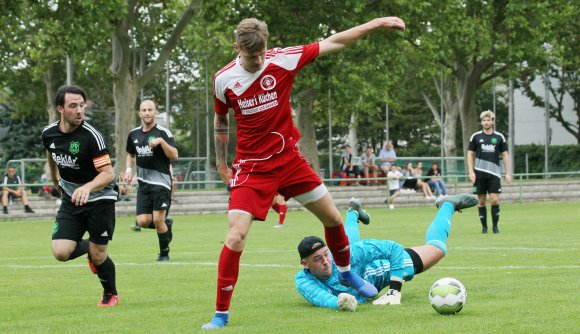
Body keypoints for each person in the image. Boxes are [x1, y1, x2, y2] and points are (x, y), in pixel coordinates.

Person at [204, 16, 405, 329]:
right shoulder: (223, 79)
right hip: (252, 169)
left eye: (259, 55)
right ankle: (220, 315)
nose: (256, 61)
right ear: (236, 48)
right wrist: (220, 162)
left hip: (289, 161)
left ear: (266, 46)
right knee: (235, 236)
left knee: (334, 219)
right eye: (249, 56)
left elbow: (335, 41)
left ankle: (346, 272)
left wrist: (376, 24)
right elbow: (220, 121)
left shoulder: (284, 59)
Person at [295, 194, 478, 310]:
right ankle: (353, 212)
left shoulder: (345, 256)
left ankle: (447, 205)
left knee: (437, 248)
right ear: (305, 264)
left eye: (326, 254)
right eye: (318, 259)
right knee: (348, 245)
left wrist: (394, 291)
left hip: (389, 266)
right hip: (357, 268)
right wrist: (339, 302)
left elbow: (393, 248)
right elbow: (318, 296)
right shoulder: (303, 280)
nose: (326, 261)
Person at [42, 85, 119, 306]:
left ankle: (110, 294)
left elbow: (108, 175)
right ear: (60, 108)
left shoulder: (91, 137)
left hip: (100, 200)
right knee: (60, 252)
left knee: (98, 256)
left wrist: (86, 188)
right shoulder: (49, 134)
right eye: (73, 106)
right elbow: (52, 154)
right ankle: (90, 246)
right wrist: (55, 180)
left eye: (81, 105)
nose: (79, 110)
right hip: (71, 199)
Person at [124, 99, 178, 261]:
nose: (147, 113)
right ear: (140, 113)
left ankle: (164, 255)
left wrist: (161, 143)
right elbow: (130, 154)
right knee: (143, 221)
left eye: (150, 110)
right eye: (144, 110)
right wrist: (128, 169)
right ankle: (166, 226)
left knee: (157, 219)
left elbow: (174, 155)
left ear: (156, 113)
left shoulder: (163, 133)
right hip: (143, 184)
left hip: (161, 183)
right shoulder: (134, 134)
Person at [467, 110, 512, 234]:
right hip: (479, 173)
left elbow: (505, 155)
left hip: (494, 174)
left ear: (492, 121)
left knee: (494, 200)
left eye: (488, 120)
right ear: (481, 122)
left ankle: (495, 227)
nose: (486, 122)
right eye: (484, 120)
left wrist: (508, 172)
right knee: (481, 201)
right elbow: (470, 154)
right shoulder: (475, 137)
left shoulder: (499, 137)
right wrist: (471, 171)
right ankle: (484, 227)